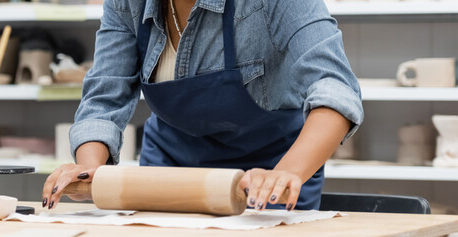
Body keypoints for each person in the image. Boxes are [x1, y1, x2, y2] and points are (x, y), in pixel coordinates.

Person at [42, 0, 363, 211]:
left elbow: (336, 90)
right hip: (170, 170)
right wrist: (90, 171)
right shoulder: (128, 3)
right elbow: (104, 97)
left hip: (268, 173)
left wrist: (285, 174)